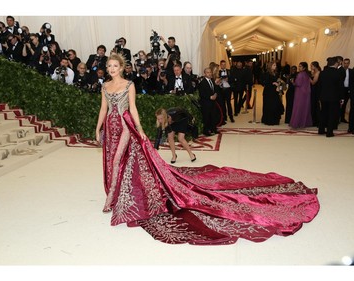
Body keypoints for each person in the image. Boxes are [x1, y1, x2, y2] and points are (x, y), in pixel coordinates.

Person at [94, 53, 319, 245]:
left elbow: (132, 108)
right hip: (110, 127)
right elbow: (103, 109)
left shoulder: (129, 85)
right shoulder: (105, 86)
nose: (112, 69)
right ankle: (116, 193)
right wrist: (98, 128)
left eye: (115, 66)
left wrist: (140, 129)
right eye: (109, 66)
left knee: (116, 161)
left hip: (124, 126)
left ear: (122, 67)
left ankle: (110, 200)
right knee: (114, 160)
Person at [289, 62, 313, 129]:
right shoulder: (307, 74)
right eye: (299, 66)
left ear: (304, 68)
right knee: (305, 107)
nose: (299, 67)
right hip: (306, 92)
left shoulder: (300, 74)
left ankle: (297, 123)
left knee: (298, 107)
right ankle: (304, 122)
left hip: (300, 93)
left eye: (300, 66)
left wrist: (292, 82)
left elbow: (298, 83)